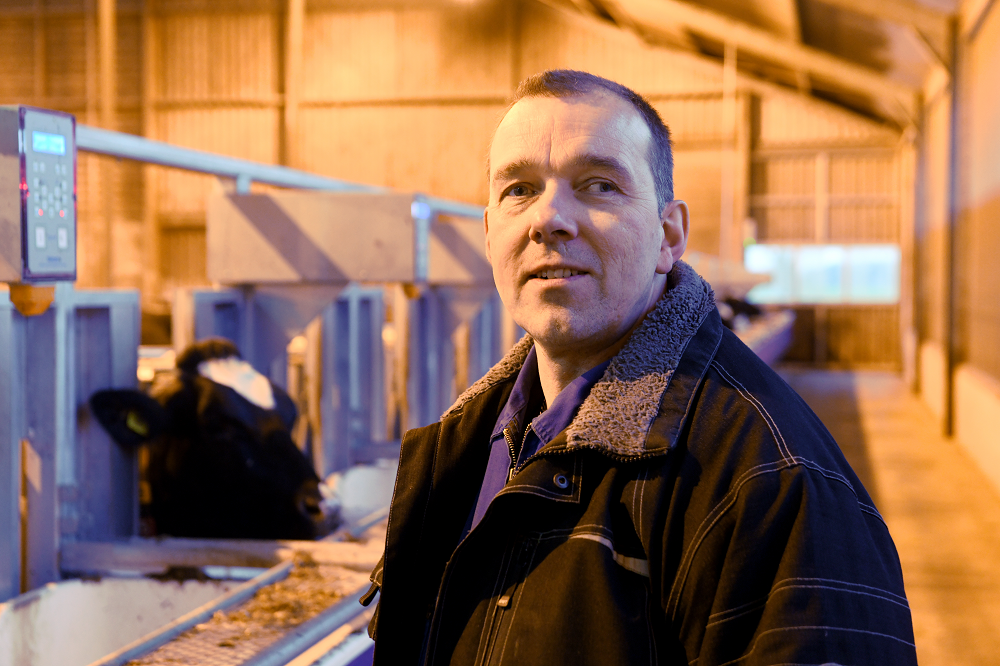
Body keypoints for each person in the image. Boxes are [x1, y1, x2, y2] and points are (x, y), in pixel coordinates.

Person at [360, 70, 917, 665]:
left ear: (668, 234)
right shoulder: (461, 449)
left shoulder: (771, 483)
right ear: (491, 231)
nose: (548, 219)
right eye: (519, 189)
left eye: (598, 185)